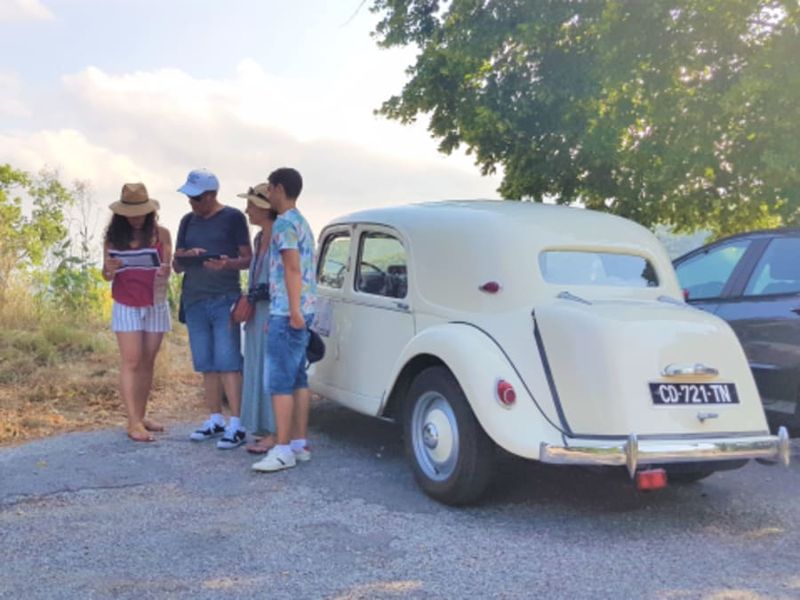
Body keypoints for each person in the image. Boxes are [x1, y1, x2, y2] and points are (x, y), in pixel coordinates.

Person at [173, 168, 253, 449]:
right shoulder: (187, 221)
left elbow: (247, 258)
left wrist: (225, 263)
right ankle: (215, 418)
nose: (191, 203)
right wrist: (185, 257)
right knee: (206, 362)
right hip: (194, 298)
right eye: (190, 197)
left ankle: (237, 423)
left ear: (211, 196)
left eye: (196, 198)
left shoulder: (233, 218)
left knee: (228, 360)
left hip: (223, 297)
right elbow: (176, 265)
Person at [252, 167, 317, 472]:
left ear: (279, 189)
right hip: (303, 307)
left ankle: (281, 449)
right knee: (298, 378)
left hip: (289, 310)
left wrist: (291, 311)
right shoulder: (303, 222)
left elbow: (291, 268)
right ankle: (298, 443)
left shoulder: (282, 225)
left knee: (279, 381)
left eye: (270, 188)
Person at [102, 183, 172, 442]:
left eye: (140, 212)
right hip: (126, 301)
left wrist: (165, 268)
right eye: (130, 213)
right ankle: (132, 422)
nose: (135, 218)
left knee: (147, 361)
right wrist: (109, 268)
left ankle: (140, 416)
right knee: (131, 360)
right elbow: (106, 274)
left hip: (155, 300)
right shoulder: (113, 238)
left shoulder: (161, 234)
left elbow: (168, 265)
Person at [237, 183, 278, 453]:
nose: (247, 210)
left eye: (251, 205)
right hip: (256, 308)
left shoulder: (278, 237)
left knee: (270, 368)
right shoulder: (258, 238)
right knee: (255, 364)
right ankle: (262, 427)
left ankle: (275, 430)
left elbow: (283, 278)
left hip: (272, 308)